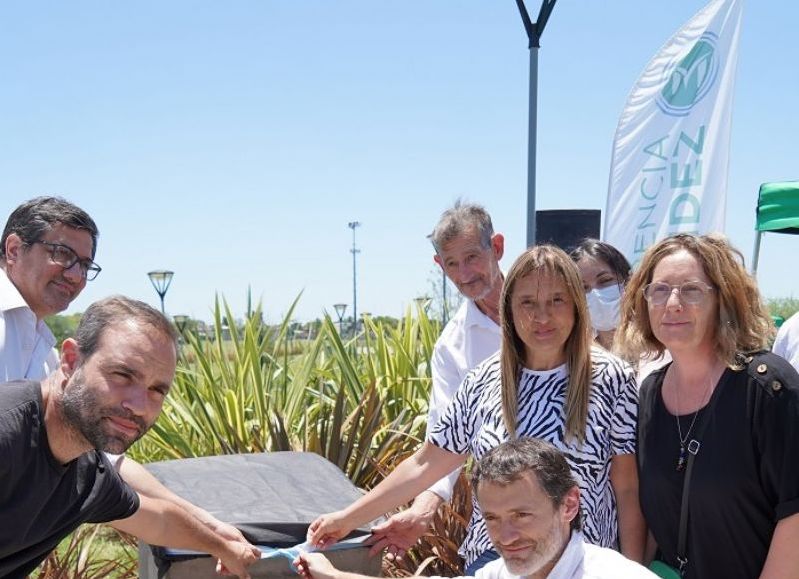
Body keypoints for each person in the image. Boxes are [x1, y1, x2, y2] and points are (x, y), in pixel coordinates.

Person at [309, 245, 645, 573]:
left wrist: (631, 569)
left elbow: (627, 488)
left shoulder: (611, 378)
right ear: (510, 310)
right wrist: (346, 519)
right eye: (527, 302)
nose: (542, 316)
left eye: (556, 300)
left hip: (578, 564)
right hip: (495, 561)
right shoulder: (483, 381)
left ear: (575, 305)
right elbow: (426, 462)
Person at [0, 196, 246, 546]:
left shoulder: (45, 353)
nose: (75, 274)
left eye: (85, 265)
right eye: (62, 254)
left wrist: (204, 522)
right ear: (13, 249)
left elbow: (103, 459)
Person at [0, 296, 261, 578]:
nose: (138, 405)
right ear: (71, 361)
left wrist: (222, 545)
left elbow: (159, 522)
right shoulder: (8, 436)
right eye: (123, 375)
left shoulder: (86, 472)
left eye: (156, 390)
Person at [616, 233, 799, 579]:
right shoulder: (649, 395)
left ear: (723, 301)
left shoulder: (766, 386)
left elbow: (795, 514)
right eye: (659, 289)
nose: (672, 303)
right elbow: (657, 516)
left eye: (691, 290)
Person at [295, 438, 655, 579]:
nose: (507, 536)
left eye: (522, 515)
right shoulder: (499, 574)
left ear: (569, 505)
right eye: (493, 519)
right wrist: (331, 574)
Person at [369, 201, 505, 559]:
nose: (464, 274)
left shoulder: (552, 306)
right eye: (452, 264)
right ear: (439, 265)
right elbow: (443, 442)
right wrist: (423, 508)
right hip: (505, 518)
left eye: (472, 257)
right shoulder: (452, 347)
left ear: (498, 247)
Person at [570, 239, 631, 351]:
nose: (595, 294)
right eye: (584, 288)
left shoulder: (655, 345)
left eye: (605, 280)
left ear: (627, 281)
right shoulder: (578, 354)